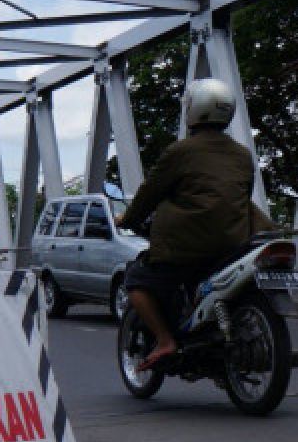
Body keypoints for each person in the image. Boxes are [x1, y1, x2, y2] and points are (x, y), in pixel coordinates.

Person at [117, 78, 273, 371]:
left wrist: (128, 218)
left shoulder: (180, 152)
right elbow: (241, 194)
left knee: (137, 280)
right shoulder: (243, 155)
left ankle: (165, 340)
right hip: (233, 243)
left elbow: (149, 193)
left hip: (187, 246)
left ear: (193, 109)